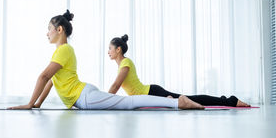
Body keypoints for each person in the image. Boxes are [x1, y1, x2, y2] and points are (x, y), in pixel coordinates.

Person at [8, 10, 204, 110]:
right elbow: (51, 80)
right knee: (129, 103)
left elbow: (43, 77)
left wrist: (28, 104)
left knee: (129, 103)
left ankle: (178, 103)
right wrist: (37, 103)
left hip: (85, 97)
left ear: (59, 30)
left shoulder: (64, 50)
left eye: (49, 29)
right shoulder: (61, 52)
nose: (46, 33)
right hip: (85, 94)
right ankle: (173, 102)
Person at [107, 34, 250, 107]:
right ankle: (228, 100)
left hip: (152, 92)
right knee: (190, 99)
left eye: (110, 48)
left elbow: (115, 86)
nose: (108, 52)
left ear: (118, 49)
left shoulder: (125, 62)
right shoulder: (122, 64)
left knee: (192, 99)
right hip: (150, 94)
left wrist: (103, 101)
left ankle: (230, 101)